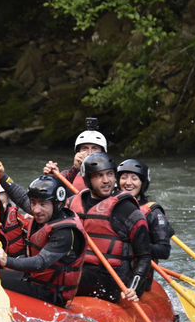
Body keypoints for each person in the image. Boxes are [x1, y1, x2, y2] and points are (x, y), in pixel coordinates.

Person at [0, 162, 87, 308]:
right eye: (33, 203)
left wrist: (7, 261)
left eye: (42, 204)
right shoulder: (45, 213)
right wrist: (2, 176)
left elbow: (40, 263)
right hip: (35, 280)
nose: (36, 210)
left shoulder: (66, 232)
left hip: (52, 293)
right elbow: (20, 196)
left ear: (57, 204)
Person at [65, 153, 151, 303]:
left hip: (112, 280)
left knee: (74, 276)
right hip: (79, 270)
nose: (106, 181)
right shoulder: (72, 203)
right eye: (99, 176)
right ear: (87, 180)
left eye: (110, 174)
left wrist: (134, 288)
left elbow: (144, 256)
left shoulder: (126, 209)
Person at [117, 158, 175, 292]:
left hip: (138, 275)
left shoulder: (153, 212)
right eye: (124, 177)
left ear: (142, 183)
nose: (128, 182)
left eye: (134, 178)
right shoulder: (110, 205)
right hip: (113, 271)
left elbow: (164, 251)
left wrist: (135, 245)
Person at [47, 117, 108, 193]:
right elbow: (57, 189)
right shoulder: (70, 174)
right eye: (85, 148)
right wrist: (53, 177)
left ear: (103, 152)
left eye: (94, 148)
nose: (89, 153)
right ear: (78, 153)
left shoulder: (110, 175)